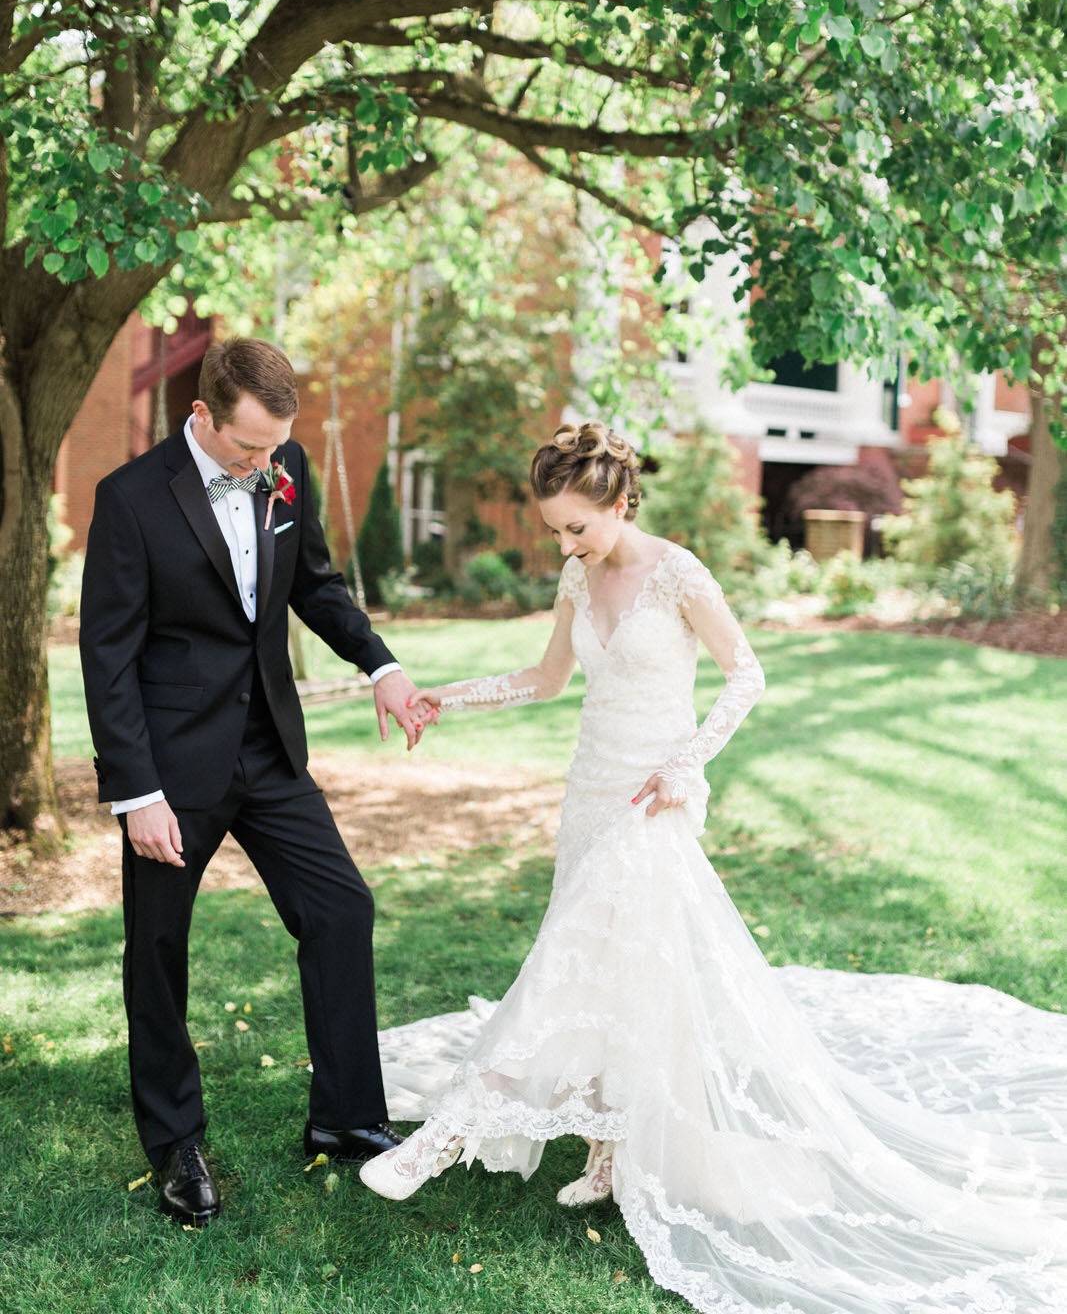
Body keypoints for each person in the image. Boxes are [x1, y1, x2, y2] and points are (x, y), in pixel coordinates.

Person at [360, 422, 1067, 1314]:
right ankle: (612, 1149)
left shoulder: (678, 573)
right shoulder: (578, 576)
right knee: (618, 968)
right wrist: (443, 696)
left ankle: (448, 1134)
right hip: (589, 794)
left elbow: (746, 675)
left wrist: (686, 762)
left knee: (566, 960)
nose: (565, 545)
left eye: (578, 527)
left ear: (620, 502)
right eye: (555, 531)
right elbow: (545, 680)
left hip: (652, 799)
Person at [80, 338, 423, 1227]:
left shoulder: (285, 465)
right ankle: (175, 1143)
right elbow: (107, 655)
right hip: (172, 767)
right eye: (247, 451)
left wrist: (380, 664)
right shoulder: (128, 499)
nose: (264, 464)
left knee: (341, 907)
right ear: (202, 417)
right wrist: (135, 791)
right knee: (157, 952)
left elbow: (313, 580)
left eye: (274, 449)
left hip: (268, 749)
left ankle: (346, 1120)